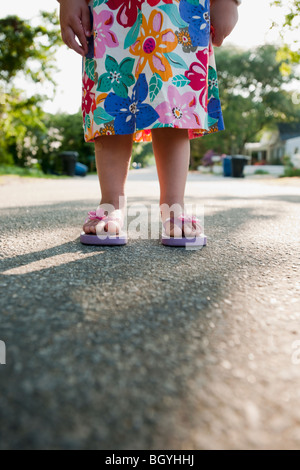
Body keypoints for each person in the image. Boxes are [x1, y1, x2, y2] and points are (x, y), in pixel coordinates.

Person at [57, 0, 240, 246]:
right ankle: (111, 202)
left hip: (176, 6)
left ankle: (174, 206)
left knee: (172, 99)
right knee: (112, 95)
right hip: (110, 7)